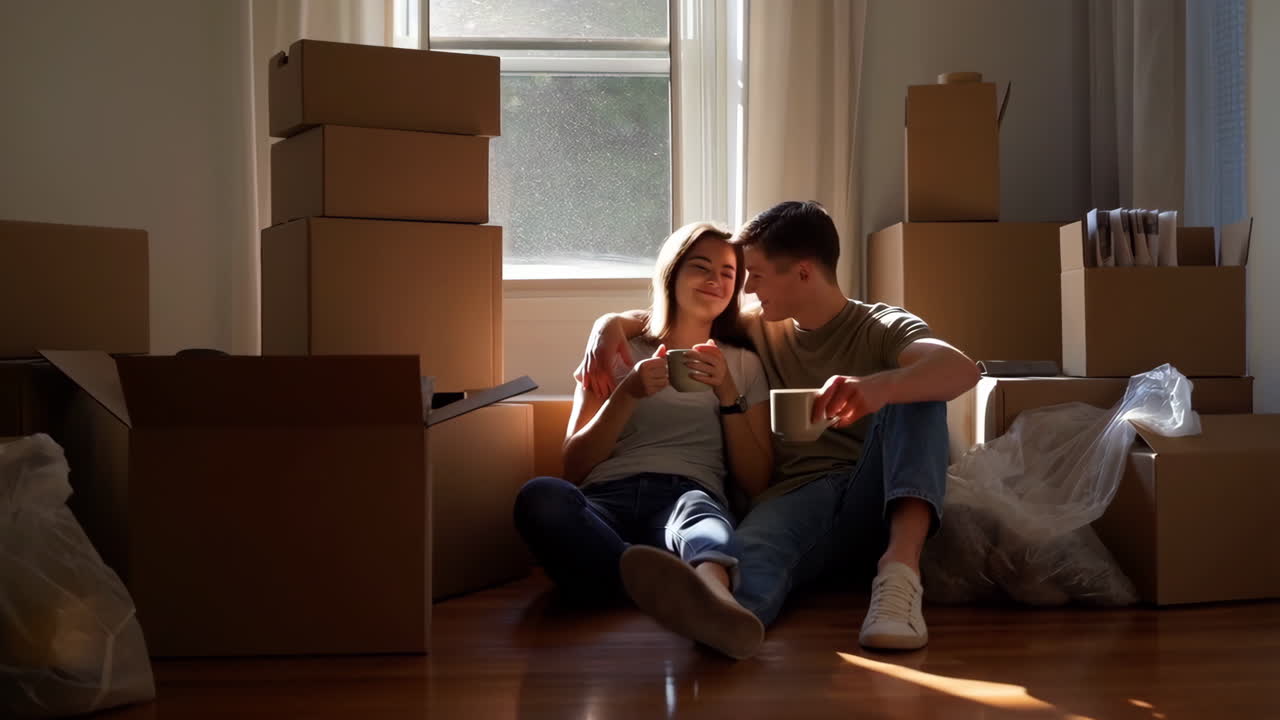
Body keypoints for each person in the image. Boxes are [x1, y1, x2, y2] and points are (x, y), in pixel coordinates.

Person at [577, 201, 980, 657]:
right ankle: (725, 625)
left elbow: (960, 370)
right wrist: (606, 325)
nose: (746, 288)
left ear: (803, 273)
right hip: (797, 495)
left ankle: (899, 573)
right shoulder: (759, 329)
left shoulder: (881, 325)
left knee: (918, 388)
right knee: (741, 576)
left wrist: (877, 388)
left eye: (758, 275)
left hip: (879, 491)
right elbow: (678, 317)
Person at [513, 222, 774, 659]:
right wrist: (627, 392)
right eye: (701, 267)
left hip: (685, 494)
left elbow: (757, 481)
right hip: (604, 501)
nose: (715, 280)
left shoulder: (742, 363)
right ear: (672, 273)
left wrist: (728, 393)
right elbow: (574, 466)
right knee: (540, 497)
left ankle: (715, 601)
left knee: (704, 523)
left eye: (728, 273)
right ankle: (658, 587)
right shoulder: (615, 350)